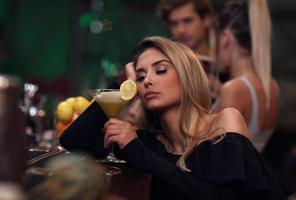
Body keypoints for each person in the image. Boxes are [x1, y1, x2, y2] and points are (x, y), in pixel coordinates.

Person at [60, 36, 287, 200]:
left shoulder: (223, 123)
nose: (147, 81)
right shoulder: (149, 143)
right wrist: (122, 86)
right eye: (140, 77)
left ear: (186, 76)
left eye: (160, 70)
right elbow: (73, 140)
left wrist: (139, 153)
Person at [211, 0, 279, 153]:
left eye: (214, 41)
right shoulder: (272, 86)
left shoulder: (233, 89)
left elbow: (215, 151)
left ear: (224, 38)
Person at [156, 0, 226, 100]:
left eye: (187, 21)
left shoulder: (227, 61)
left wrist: (223, 94)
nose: (181, 30)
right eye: (174, 23)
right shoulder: (165, 64)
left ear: (207, 19)